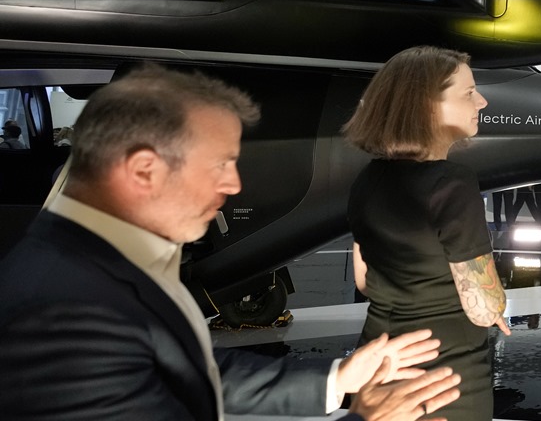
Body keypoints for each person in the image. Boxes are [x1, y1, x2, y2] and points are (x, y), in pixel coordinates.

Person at [0, 64, 461, 421]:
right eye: (219, 164)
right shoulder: (68, 309)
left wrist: (338, 379)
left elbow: (184, 372)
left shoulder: (97, 260)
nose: (235, 184)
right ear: (144, 171)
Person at [344, 46, 511, 421]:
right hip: (443, 377)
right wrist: (495, 302)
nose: (481, 101)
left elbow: (366, 281)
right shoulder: (452, 184)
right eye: (468, 92)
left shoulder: (366, 181)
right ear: (426, 106)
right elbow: (484, 309)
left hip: (375, 361)